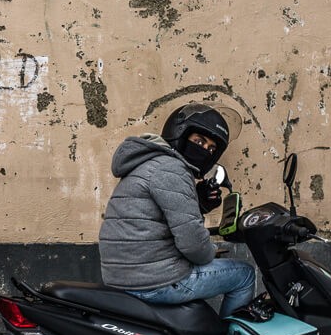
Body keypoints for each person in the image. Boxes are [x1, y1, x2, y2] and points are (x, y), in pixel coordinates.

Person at [98, 102, 255, 317]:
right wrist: (209, 252)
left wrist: (198, 205)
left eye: (211, 148)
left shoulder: (149, 163)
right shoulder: (172, 169)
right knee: (244, 275)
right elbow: (192, 245)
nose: (204, 150)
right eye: (199, 141)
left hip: (125, 274)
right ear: (179, 134)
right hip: (153, 280)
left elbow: (156, 221)